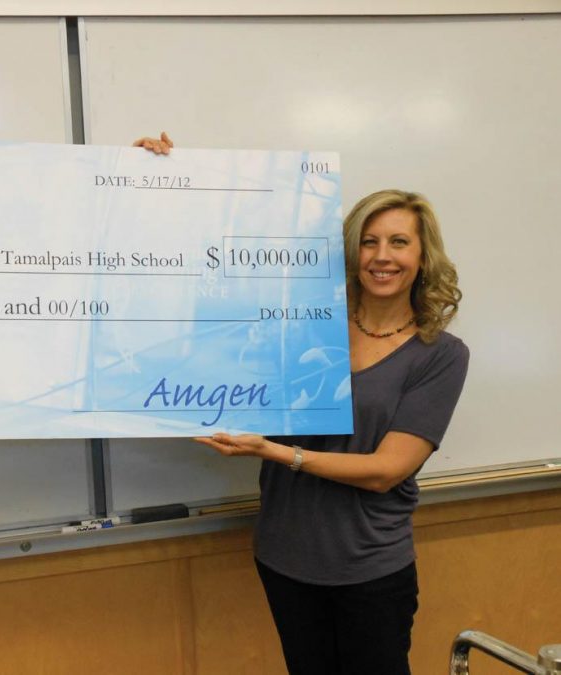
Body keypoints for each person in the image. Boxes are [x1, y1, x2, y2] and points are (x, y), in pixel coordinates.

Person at [135, 133, 470, 674]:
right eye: (368, 241)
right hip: (285, 559)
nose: (382, 256)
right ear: (349, 250)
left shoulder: (440, 355)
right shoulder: (298, 322)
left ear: (422, 255)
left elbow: (387, 471)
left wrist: (277, 452)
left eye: (399, 242)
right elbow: (208, 275)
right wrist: (159, 184)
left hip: (370, 568)